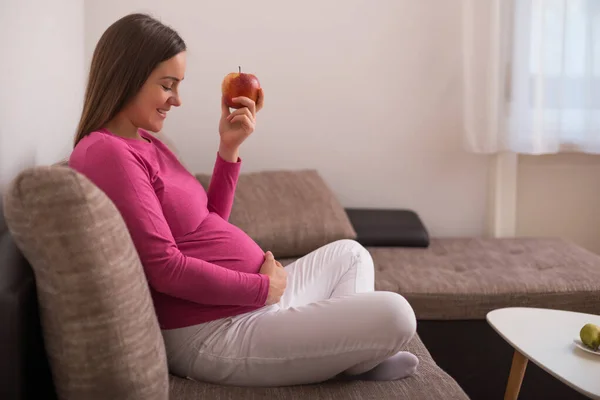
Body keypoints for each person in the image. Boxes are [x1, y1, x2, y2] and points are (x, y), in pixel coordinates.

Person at [69, 13, 419, 387]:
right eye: (167, 85)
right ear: (128, 76)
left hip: (248, 304)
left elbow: (209, 219)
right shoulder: (109, 153)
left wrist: (228, 147)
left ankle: (351, 358)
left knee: (351, 254)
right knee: (397, 314)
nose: (177, 100)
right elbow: (164, 268)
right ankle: (353, 356)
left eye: (178, 86)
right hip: (212, 330)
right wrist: (260, 289)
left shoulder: (146, 142)